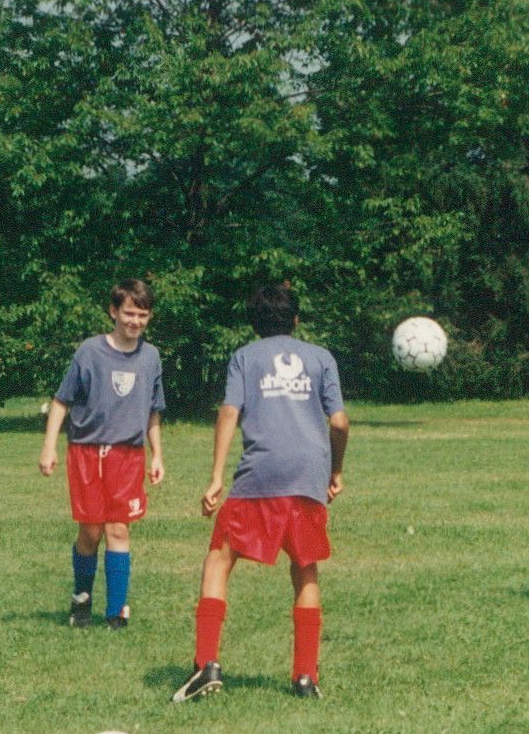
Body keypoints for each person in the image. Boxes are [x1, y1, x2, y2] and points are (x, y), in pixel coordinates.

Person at [173, 284, 348, 701]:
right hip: (308, 474)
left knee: (220, 557)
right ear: (296, 320)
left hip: (260, 473)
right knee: (305, 568)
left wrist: (216, 476)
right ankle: (305, 677)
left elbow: (229, 412)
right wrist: (335, 470)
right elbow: (340, 422)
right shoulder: (321, 357)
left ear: (254, 324)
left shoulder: (244, 357)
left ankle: (206, 664)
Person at [39, 278, 165, 630]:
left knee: (119, 530)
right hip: (87, 453)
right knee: (91, 532)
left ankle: (116, 611)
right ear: (113, 311)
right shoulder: (90, 352)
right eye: (129, 313)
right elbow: (61, 400)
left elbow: (154, 411)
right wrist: (49, 446)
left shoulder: (151, 357)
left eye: (142, 315)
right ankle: (81, 598)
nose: (135, 321)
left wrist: (157, 454)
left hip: (128, 456)